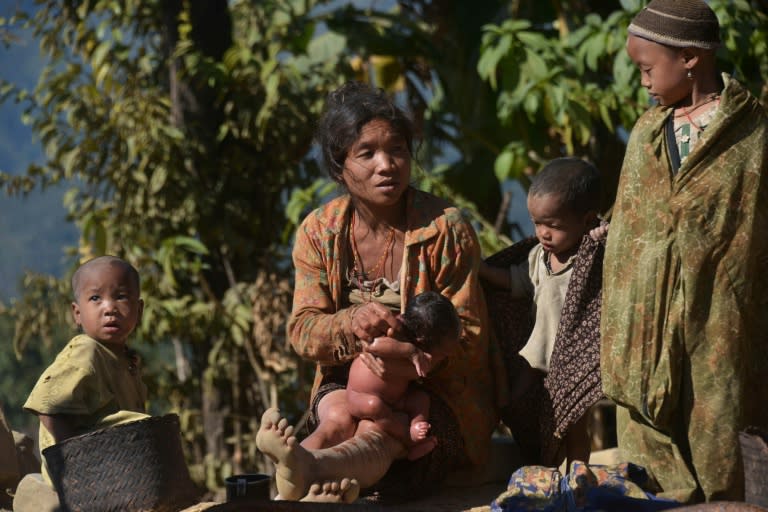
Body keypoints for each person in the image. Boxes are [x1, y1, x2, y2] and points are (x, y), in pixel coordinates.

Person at [256, 81, 507, 503]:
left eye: (398, 150)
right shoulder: (319, 232)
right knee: (335, 416)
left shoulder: (446, 230)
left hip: (430, 400)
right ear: (339, 167)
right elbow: (302, 332)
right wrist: (351, 323)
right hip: (349, 386)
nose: (387, 164)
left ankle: (310, 470)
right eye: (366, 153)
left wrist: (403, 358)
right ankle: (304, 480)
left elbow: (466, 336)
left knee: (378, 430)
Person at [601, 0, 768, 503]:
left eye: (648, 69)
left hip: (719, 307)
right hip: (645, 309)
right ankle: (656, 488)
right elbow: (634, 225)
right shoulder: (648, 133)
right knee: (645, 414)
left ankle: (721, 494)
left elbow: (749, 228)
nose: (644, 83)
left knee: (716, 403)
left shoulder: (752, 135)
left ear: (691, 58)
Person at [479, 157, 605, 470]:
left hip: (572, 364)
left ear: (588, 221)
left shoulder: (592, 259)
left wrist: (603, 238)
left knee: (573, 424)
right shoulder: (540, 257)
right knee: (519, 407)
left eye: (554, 226)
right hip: (535, 359)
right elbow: (514, 281)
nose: (543, 233)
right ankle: (542, 465)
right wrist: (479, 269)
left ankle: (577, 477)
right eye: (537, 223)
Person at [22, 256, 149, 487]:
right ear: (77, 313)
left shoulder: (127, 359)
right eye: (95, 298)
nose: (109, 308)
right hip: (85, 480)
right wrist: (77, 469)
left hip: (118, 472)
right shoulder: (85, 351)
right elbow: (49, 408)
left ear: (138, 310)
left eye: (120, 296)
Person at [346, 291, 461, 461]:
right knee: (375, 406)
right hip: (361, 397)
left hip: (396, 398)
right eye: (443, 353)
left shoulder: (424, 345)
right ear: (421, 340)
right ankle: (408, 439)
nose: (446, 357)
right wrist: (410, 351)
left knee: (421, 399)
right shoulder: (393, 329)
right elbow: (373, 346)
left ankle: (416, 426)